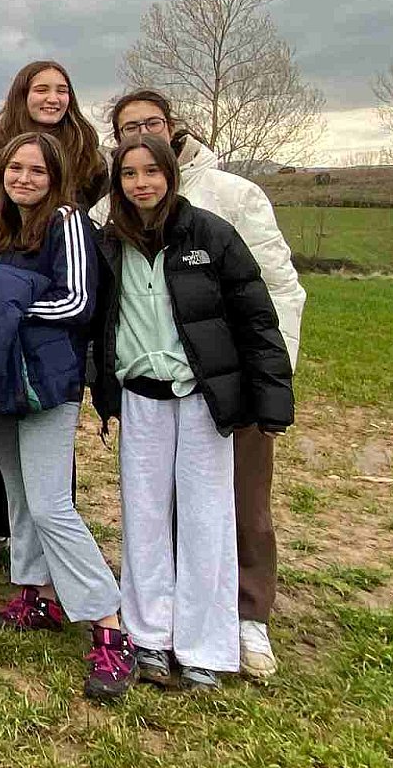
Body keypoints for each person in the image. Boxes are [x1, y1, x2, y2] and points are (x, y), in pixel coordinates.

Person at [92, 89, 305, 680]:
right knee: (145, 516)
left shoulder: (212, 232)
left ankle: (206, 645)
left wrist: (269, 394)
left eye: (152, 171)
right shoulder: (108, 238)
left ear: (171, 170)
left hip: (205, 398)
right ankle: (148, 635)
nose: (141, 183)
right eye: (129, 173)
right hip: (141, 394)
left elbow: (259, 314)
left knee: (209, 516)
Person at [0, 132, 134, 702]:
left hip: (47, 382)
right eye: (16, 168)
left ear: (56, 176)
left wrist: (3, 308)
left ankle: (109, 624)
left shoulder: (67, 222)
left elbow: (77, 302)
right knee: (18, 494)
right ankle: (36, 595)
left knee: (50, 504)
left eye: (37, 170)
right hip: (7, 379)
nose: (24, 178)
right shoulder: (5, 231)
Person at [0, 60, 108, 562]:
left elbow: (78, 289)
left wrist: (6, 307)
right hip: (6, 323)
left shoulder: (86, 164)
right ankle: (5, 539)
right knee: (8, 460)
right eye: (41, 88)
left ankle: (62, 563)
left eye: (62, 89)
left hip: (50, 336)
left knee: (48, 480)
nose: (52, 97)